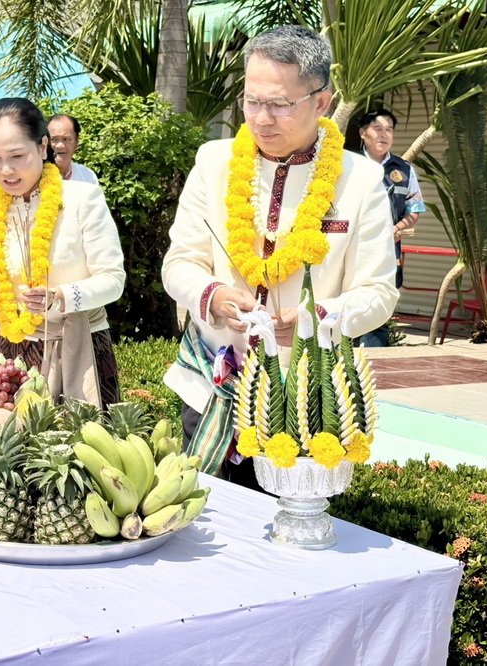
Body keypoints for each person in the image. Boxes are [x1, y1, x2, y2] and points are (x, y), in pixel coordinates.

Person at [161, 25, 398, 484]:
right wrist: (212, 295)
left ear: (322, 101)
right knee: (203, 531)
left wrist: (314, 318)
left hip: (306, 400)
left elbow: (378, 293)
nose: (262, 118)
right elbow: (179, 263)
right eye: (252, 101)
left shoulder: (361, 181)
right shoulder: (214, 161)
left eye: (280, 105)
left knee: (292, 535)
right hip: (213, 385)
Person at [0, 98, 125, 408]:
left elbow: (113, 280)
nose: (6, 169)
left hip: (82, 348)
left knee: (82, 448)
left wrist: (60, 295)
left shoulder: (82, 199)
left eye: (17, 155)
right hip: (12, 350)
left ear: (43, 146)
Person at [356, 108, 426, 347]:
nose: (384, 135)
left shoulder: (404, 170)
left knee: (379, 310)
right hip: (352, 251)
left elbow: (414, 209)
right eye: (377, 129)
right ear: (363, 133)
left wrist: (397, 230)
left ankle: (373, 363)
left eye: (389, 130)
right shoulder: (349, 164)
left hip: (387, 252)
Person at [48, 114, 99, 185]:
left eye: (66, 139)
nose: (60, 146)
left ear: (76, 141)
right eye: (53, 139)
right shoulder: (33, 177)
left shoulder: (87, 177)